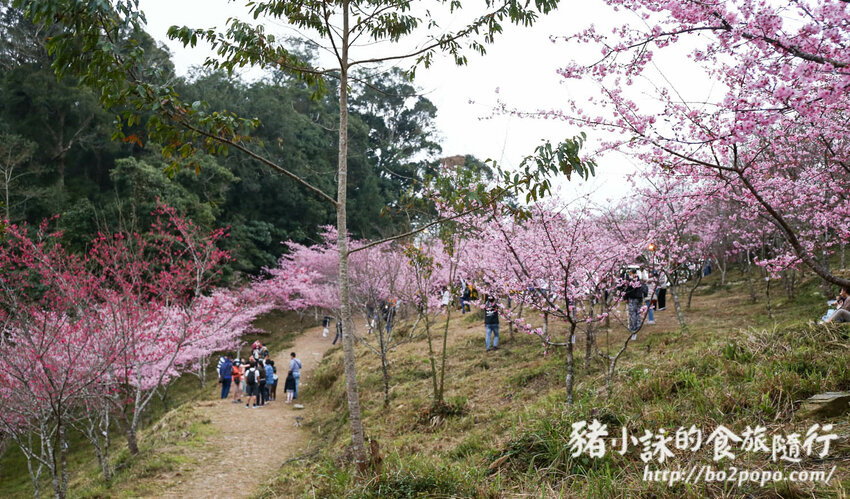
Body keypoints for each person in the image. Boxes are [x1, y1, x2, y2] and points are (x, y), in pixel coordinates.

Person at [622, 269, 647, 333]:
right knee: (638, 312)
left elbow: (627, 290)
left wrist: (625, 298)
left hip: (633, 298)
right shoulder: (638, 279)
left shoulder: (630, 281)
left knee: (633, 312)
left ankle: (633, 326)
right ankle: (638, 325)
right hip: (639, 297)